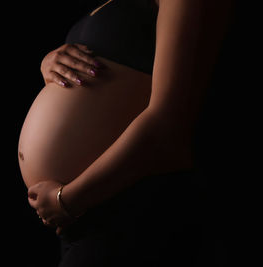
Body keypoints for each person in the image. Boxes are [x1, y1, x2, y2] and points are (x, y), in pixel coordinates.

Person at [25, 0, 236, 266]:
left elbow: (168, 129)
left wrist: (67, 200)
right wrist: (50, 65)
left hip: (130, 206)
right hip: (85, 213)